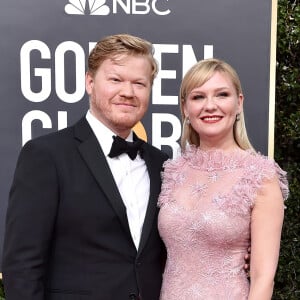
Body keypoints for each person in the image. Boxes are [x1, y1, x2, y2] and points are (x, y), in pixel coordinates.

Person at [2, 33, 169, 300]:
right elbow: (22, 265)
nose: (128, 92)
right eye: (115, 80)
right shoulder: (46, 156)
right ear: (89, 82)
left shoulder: (162, 164)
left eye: (140, 83)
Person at [157, 58, 289, 299]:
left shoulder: (260, 177)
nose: (210, 106)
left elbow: (263, 278)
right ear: (185, 107)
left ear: (238, 103)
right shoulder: (172, 171)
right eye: (198, 97)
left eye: (221, 95)